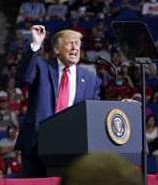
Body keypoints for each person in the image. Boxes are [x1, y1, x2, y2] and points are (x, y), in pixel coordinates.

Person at [16, 27, 100, 177]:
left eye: (77, 44)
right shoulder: (42, 67)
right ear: (56, 49)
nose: (75, 47)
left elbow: (94, 111)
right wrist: (35, 45)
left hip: (73, 146)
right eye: (70, 43)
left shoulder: (90, 78)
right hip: (37, 144)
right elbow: (23, 78)